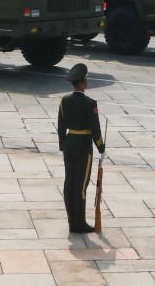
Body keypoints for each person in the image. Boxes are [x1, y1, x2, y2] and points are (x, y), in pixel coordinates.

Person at [57, 63, 105, 234]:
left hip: (69, 144)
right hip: (84, 146)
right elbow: (95, 129)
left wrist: (63, 145)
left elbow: (61, 125)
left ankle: (72, 222)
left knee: (69, 183)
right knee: (81, 186)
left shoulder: (64, 100)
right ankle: (80, 224)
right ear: (83, 81)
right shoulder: (89, 103)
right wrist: (101, 147)